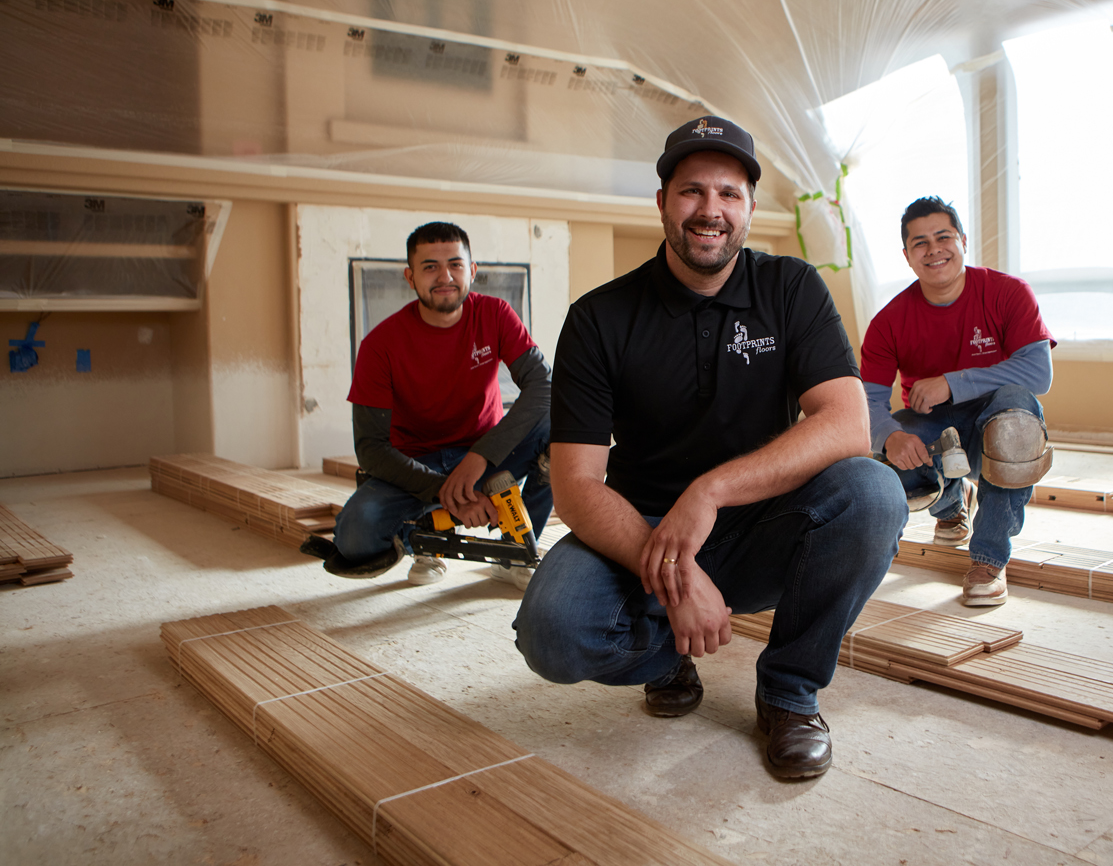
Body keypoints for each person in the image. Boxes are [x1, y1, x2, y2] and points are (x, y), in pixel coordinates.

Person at [513, 115, 906, 780]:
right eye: (693, 191)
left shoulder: (790, 288)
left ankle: (789, 693)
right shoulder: (600, 318)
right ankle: (666, 658)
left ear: (750, 208)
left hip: (762, 527)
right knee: (552, 631)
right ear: (662, 201)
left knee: (873, 493)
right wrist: (673, 572)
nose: (711, 211)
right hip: (642, 533)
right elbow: (577, 485)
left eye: (729, 194)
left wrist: (712, 491)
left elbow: (847, 427)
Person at [303, 221, 553, 586]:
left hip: (483, 457)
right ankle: (425, 541)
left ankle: (515, 551)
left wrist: (480, 457)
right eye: (430, 267)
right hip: (415, 464)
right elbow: (370, 449)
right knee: (356, 538)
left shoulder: (495, 314)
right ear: (410, 277)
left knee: (558, 427)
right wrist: (442, 490)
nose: (445, 276)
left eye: (455, 264)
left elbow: (543, 386)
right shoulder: (379, 345)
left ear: (472, 271)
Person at [860, 196, 1056, 606]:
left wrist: (953, 383)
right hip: (934, 428)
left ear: (963, 240)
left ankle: (988, 560)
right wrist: (889, 437)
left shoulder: (1008, 292)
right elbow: (868, 402)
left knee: (1014, 427)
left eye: (943, 237)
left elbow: (1039, 374)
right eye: (920, 243)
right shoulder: (888, 322)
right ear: (907, 256)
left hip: (996, 421)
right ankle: (951, 502)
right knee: (882, 464)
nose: (934, 250)